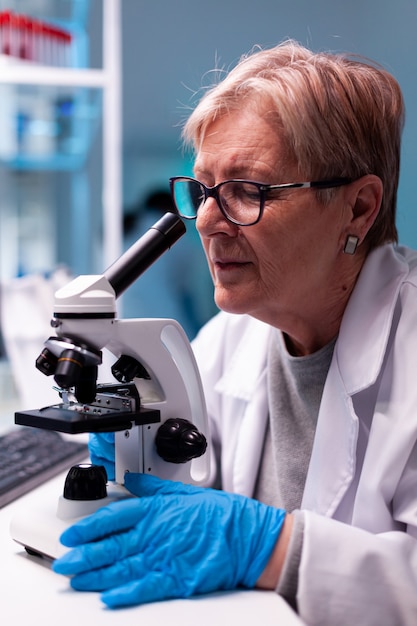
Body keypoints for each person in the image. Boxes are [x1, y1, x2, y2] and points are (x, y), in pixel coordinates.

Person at [52, 40, 417, 625]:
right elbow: (180, 495)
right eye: (202, 191)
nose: (210, 223)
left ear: (358, 208)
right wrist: (131, 458)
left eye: (249, 190)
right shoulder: (229, 341)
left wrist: (271, 548)